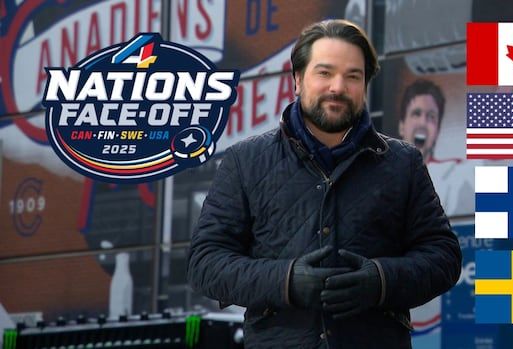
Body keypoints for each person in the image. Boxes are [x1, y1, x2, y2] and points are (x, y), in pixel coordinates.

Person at [188, 19, 462, 349]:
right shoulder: (244, 162)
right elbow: (205, 263)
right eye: (325, 73)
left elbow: (444, 257)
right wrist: (286, 281)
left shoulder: (402, 162)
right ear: (298, 80)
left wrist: (381, 281)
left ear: (365, 86)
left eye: (352, 76)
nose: (338, 87)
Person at [398, 79, 445, 163]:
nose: (423, 123)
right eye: (416, 114)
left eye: (431, 116)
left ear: (437, 131)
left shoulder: (454, 169)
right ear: (402, 127)